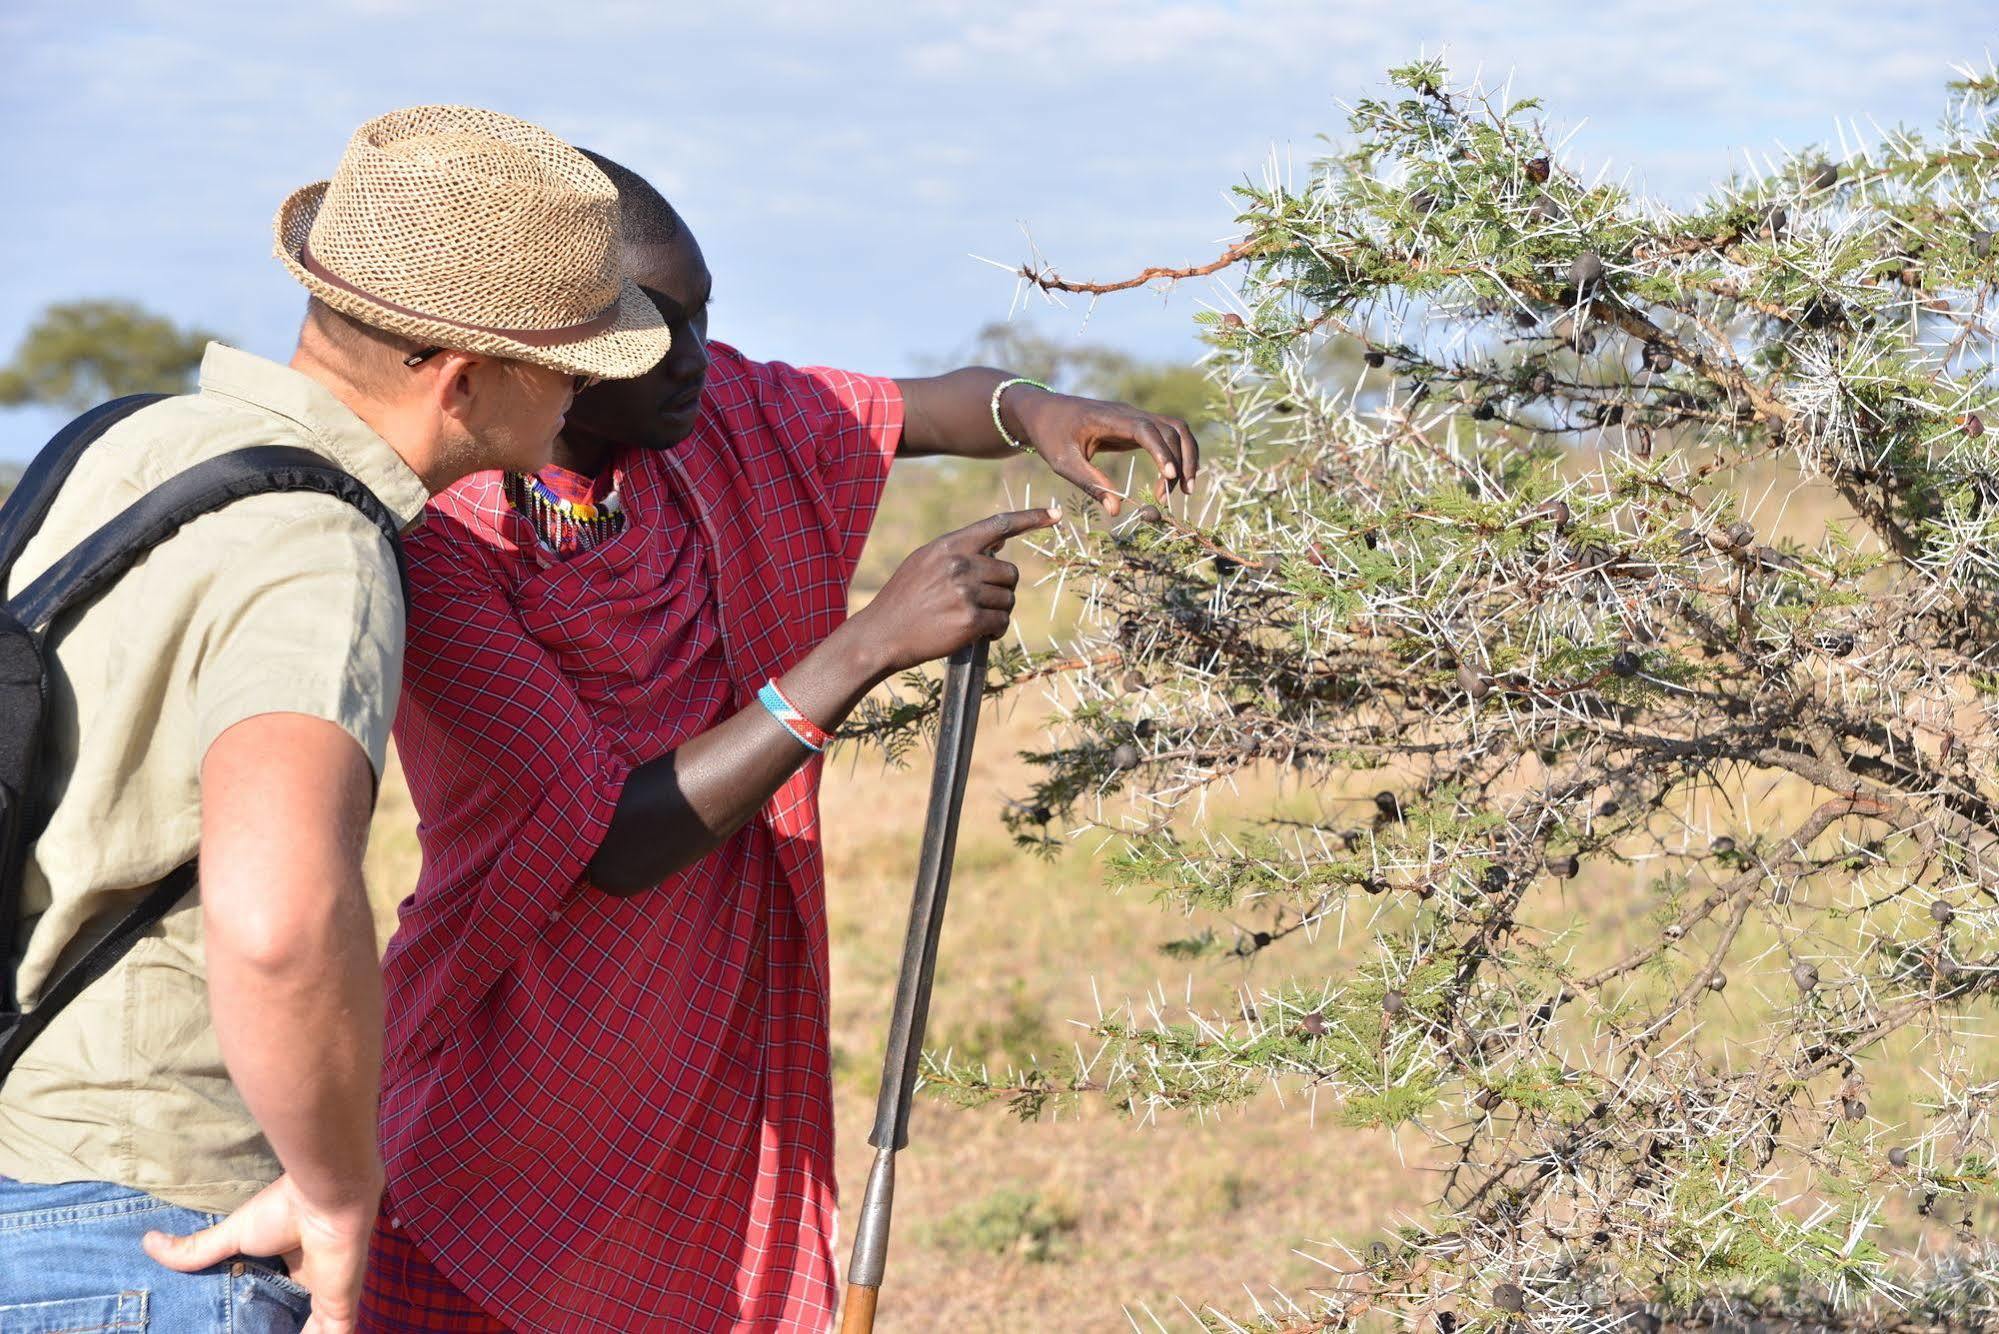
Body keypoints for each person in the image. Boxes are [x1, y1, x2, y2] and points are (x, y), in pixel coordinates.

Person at [360, 150, 1199, 1331]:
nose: (705, 363)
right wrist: (865, 646)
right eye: (664, 337)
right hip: (510, 1061)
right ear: (558, 354)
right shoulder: (443, 543)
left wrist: (1038, 412)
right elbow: (607, 839)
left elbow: (936, 405)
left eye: (706, 323)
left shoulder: (711, 434)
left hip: (707, 1045)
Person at [0, 107, 668, 1334]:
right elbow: (281, 917)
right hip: (150, 1231)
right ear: (465, 378)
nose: (584, 388)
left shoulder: (117, 445)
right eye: (573, 360)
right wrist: (337, 1187)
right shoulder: (320, 540)